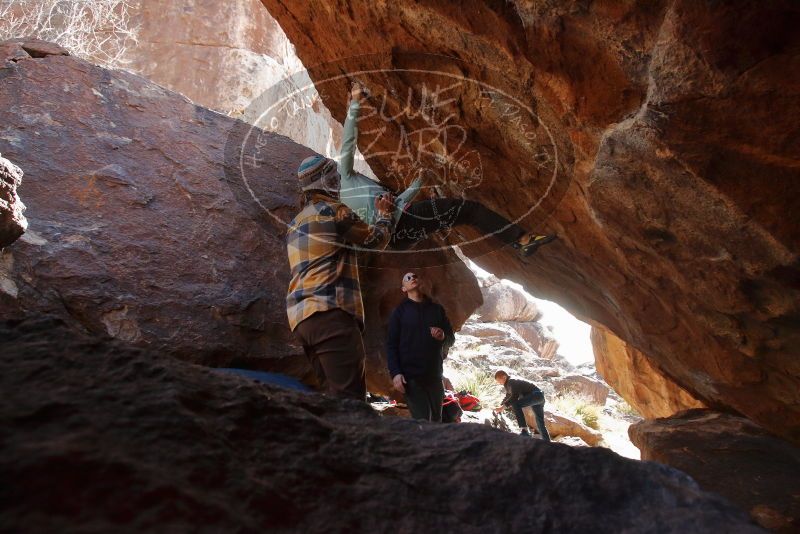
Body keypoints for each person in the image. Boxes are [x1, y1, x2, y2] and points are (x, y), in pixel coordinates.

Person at [339, 82, 557, 257]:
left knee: (463, 215)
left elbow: (391, 211)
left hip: (401, 240)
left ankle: (516, 240)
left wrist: (418, 183)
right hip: (407, 220)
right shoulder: (344, 181)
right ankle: (521, 240)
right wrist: (355, 104)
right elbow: (348, 143)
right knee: (471, 211)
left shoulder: (348, 206)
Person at [286, 154, 396, 400]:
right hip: (331, 314)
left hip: (302, 320)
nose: (338, 181)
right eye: (333, 176)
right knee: (351, 402)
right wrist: (384, 214)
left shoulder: (295, 223)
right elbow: (375, 240)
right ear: (324, 182)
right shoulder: (335, 211)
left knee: (333, 400)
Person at [386, 271, 455, 421]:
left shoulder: (437, 310)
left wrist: (442, 336)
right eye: (407, 278)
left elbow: (451, 340)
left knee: (436, 421)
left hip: (435, 376)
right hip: (411, 378)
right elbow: (391, 345)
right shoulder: (399, 313)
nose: (412, 278)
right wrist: (395, 373)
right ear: (403, 288)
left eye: (415, 276)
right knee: (424, 421)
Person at [493, 370, 551, 441]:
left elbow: (514, 397)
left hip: (536, 395)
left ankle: (525, 431)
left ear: (504, 377)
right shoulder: (509, 384)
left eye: (499, 381)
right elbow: (508, 396)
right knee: (540, 422)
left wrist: (502, 407)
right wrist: (500, 406)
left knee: (516, 404)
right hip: (539, 397)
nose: (499, 383)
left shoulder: (511, 381)